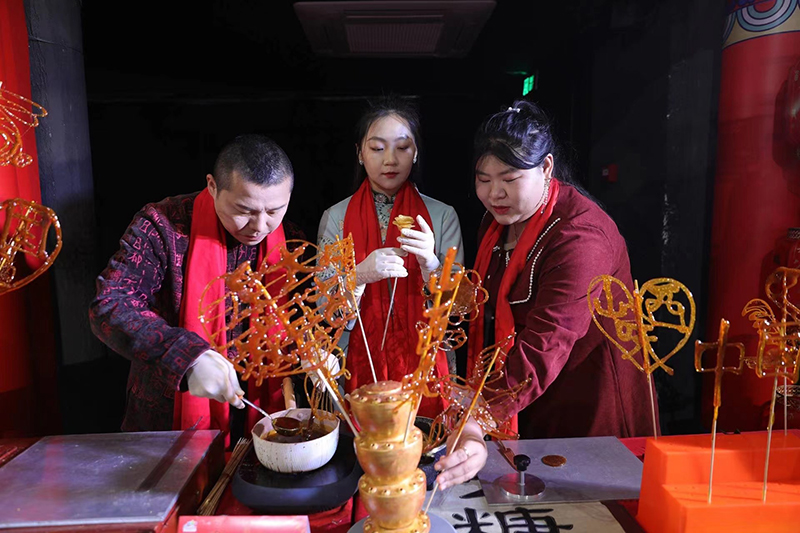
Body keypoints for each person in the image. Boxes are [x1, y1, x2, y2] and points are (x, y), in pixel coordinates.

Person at [435, 100, 653, 488]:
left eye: (509, 178)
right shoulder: (499, 221)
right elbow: (485, 303)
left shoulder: (581, 237)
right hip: (523, 398)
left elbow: (546, 342)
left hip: (586, 402)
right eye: (483, 180)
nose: (495, 193)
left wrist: (477, 418)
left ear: (547, 167)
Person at [89, 134, 304, 444]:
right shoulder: (163, 225)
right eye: (244, 210)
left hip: (261, 417)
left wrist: (307, 357)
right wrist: (190, 357)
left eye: (273, 211)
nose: (259, 226)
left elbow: (295, 323)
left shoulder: (290, 241)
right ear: (213, 186)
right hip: (168, 416)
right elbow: (110, 304)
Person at [317, 96, 464, 418]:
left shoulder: (442, 216)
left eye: (402, 147)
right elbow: (325, 312)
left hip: (425, 362)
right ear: (360, 153)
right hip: (354, 361)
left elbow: (458, 312)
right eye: (377, 147)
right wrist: (358, 276)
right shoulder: (336, 218)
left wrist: (430, 265)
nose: (390, 159)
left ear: (416, 153)